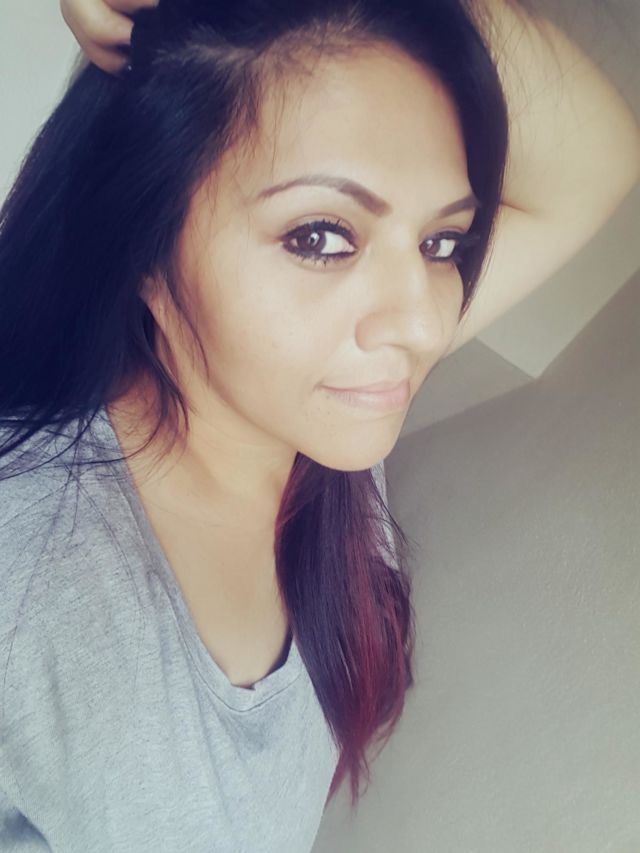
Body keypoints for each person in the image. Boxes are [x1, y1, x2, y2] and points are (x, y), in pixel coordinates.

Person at [0, 0, 637, 850]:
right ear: (143, 244)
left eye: (442, 243)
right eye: (322, 237)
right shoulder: (28, 575)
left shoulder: (323, 416)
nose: (421, 325)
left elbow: (596, 161)